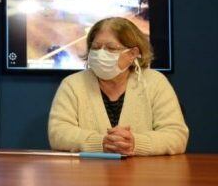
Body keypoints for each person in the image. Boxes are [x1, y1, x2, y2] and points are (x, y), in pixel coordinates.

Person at [48, 17, 188, 156]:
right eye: (95, 47)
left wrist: (134, 143)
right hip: (88, 175)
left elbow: (176, 136)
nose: (100, 54)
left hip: (142, 175)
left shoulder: (155, 82)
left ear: (132, 54)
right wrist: (101, 143)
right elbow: (58, 133)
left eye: (111, 48)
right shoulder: (72, 84)